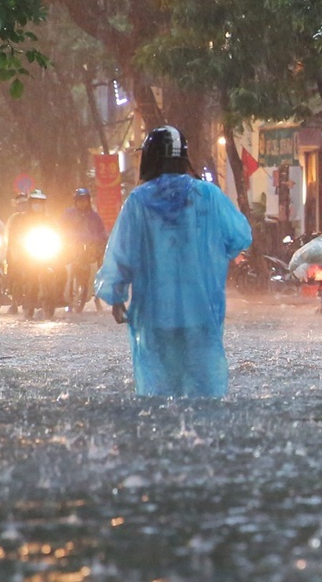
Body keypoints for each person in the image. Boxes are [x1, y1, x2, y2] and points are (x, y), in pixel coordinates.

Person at [95, 126, 253, 398]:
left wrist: (116, 297)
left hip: (155, 317)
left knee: (160, 398)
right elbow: (240, 237)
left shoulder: (138, 202)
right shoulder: (209, 196)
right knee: (204, 399)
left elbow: (122, 253)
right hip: (202, 314)